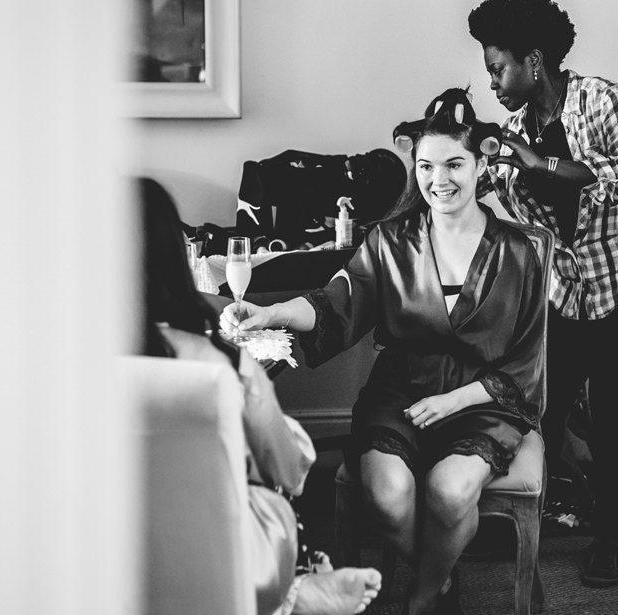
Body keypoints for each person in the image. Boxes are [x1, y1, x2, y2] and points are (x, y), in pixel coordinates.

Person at [224, 90, 551, 615]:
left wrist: (454, 402)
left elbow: (526, 359)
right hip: (400, 391)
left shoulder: (517, 252)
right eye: (425, 165)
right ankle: (440, 576)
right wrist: (272, 314)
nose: (437, 179)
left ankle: (421, 597)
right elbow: (338, 301)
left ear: (483, 162)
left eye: (454, 164)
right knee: (388, 493)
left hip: (485, 401)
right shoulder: (390, 241)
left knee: (449, 491)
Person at [469, 0, 618, 587]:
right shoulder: (513, 134)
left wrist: (539, 164)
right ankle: (521, 523)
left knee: (616, 416)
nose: (492, 80)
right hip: (568, 295)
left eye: (498, 67)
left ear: (534, 62)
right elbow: (529, 229)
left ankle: (607, 540)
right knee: (539, 411)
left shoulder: (602, 101)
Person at [139, 178, 382, 615]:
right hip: (215, 547)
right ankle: (295, 588)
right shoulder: (223, 364)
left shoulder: (52, 374)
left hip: (96, 549)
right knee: (273, 488)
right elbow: (289, 472)